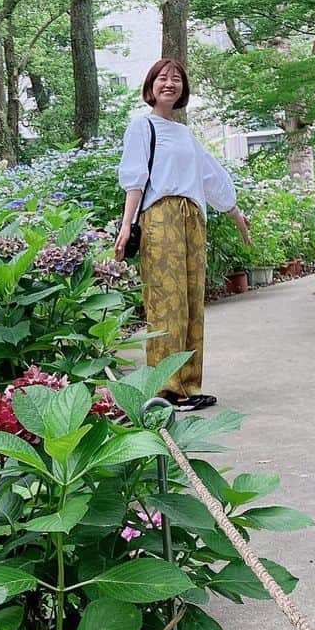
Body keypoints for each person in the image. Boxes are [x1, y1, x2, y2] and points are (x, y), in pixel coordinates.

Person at [114, 58, 250, 411]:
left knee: (191, 302)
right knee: (166, 302)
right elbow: (135, 179)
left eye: (176, 79)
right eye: (162, 78)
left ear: (183, 89)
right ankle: (164, 390)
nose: (169, 83)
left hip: (193, 219)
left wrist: (235, 213)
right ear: (150, 86)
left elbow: (211, 177)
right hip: (161, 218)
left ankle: (188, 385)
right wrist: (126, 224)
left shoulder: (186, 134)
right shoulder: (142, 127)